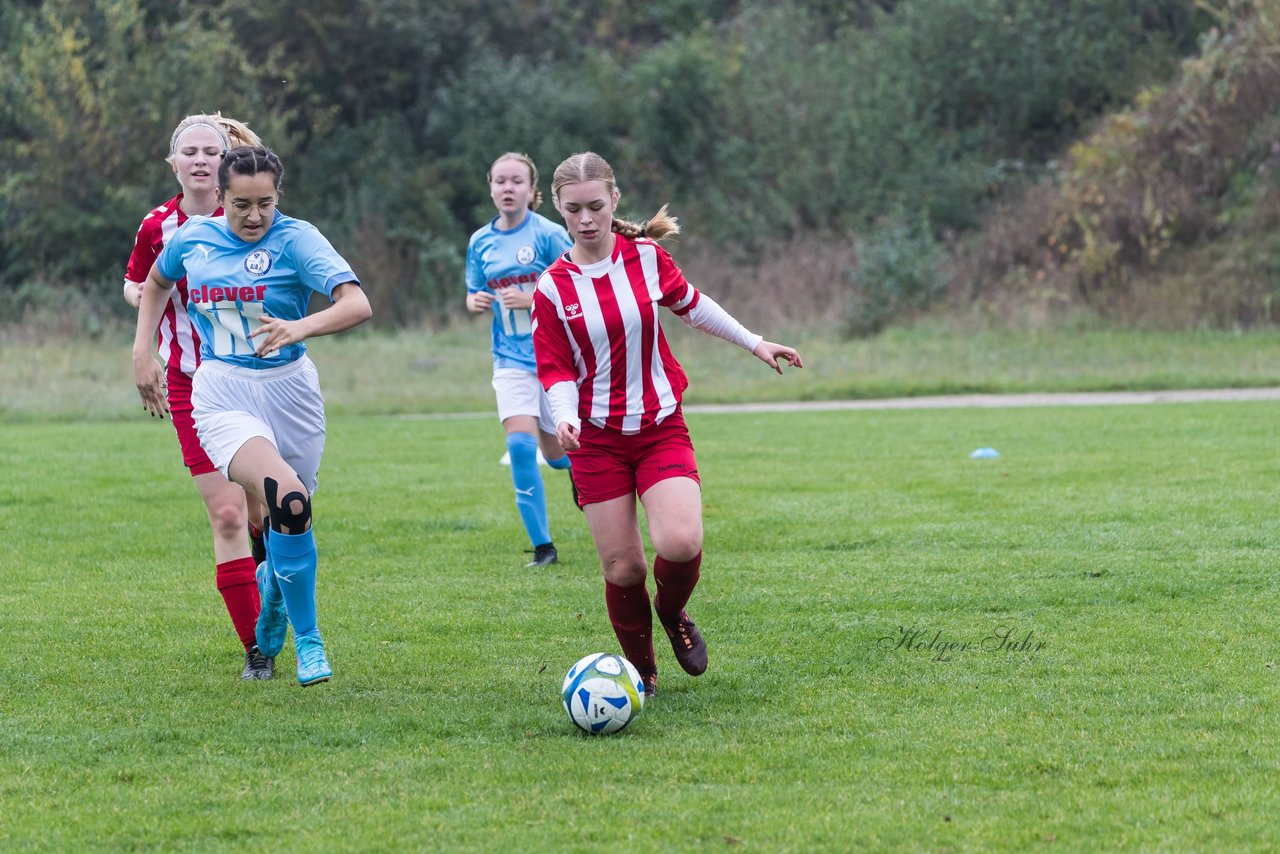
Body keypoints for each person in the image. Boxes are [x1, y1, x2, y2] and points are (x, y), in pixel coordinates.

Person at [532, 151, 803, 696]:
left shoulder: (647, 258)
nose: (586, 219)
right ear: (558, 211)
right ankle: (641, 674)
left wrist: (755, 342)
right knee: (624, 567)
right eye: (573, 210)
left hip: (659, 427)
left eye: (595, 206)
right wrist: (563, 420)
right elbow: (555, 369)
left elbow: (694, 305)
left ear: (614, 201)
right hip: (595, 441)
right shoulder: (552, 288)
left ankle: (673, 612)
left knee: (679, 542)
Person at [132, 145, 372, 686]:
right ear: (220, 197)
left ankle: (271, 591)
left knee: (291, 513)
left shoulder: (298, 238)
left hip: (291, 389)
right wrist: (141, 350)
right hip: (222, 391)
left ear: (277, 197)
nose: (254, 216)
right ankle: (310, 642)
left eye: (265, 203)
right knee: (285, 493)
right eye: (241, 204)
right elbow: (155, 283)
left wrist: (302, 327)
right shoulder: (192, 238)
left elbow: (356, 303)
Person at [123, 112, 274, 680]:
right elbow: (137, 279)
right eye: (190, 152)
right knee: (229, 511)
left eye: (211, 150)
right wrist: (142, 315)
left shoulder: (253, 214)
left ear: (226, 158)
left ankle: (268, 577)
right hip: (190, 383)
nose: (201, 160)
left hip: (253, 379)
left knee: (260, 506)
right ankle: (257, 650)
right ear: (174, 163)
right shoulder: (157, 225)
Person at [465, 152, 575, 568]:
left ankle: (578, 478)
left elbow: (576, 286)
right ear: (491, 187)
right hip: (509, 360)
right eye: (500, 181)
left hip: (556, 357)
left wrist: (532, 299)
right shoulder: (480, 241)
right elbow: (474, 290)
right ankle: (544, 547)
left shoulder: (548, 235)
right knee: (520, 446)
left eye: (516, 182)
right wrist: (475, 300)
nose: (507, 188)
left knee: (561, 452)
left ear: (533, 191)